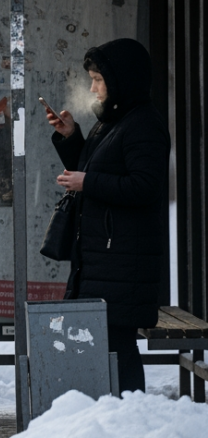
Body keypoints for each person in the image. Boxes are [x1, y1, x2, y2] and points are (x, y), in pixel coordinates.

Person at [43, 38, 169, 394]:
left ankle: (129, 421)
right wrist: (70, 139)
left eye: (98, 79)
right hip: (103, 259)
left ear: (122, 80)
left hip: (123, 260)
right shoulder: (111, 122)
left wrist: (88, 181)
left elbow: (145, 186)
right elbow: (99, 169)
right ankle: (113, 422)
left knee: (118, 346)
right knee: (106, 345)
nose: (93, 87)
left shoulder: (143, 124)